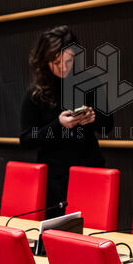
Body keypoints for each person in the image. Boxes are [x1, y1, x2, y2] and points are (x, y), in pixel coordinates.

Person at [19, 25, 115, 212]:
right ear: (45, 60)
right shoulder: (36, 94)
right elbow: (26, 139)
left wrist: (92, 118)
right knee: (57, 229)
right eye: (56, 62)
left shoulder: (89, 83)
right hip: (54, 180)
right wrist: (58, 125)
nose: (63, 67)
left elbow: (108, 124)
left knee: (94, 227)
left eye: (69, 61)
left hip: (90, 171)